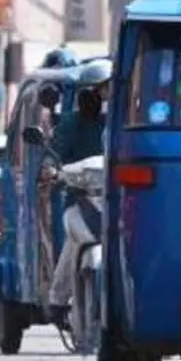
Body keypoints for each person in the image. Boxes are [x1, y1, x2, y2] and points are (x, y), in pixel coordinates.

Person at [45, 62, 110, 326]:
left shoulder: (128, 119)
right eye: (102, 90)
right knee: (76, 239)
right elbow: (55, 151)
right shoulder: (72, 123)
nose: (107, 96)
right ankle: (59, 299)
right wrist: (50, 169)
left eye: (111, 89)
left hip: (122, 199)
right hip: (81, 198)